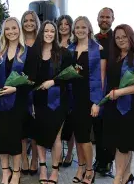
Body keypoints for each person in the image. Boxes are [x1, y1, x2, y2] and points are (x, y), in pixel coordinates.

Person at [0, 17, 36, 184]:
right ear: (3, 32)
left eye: (14, 28)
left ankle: (16, 172)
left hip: (19, 102)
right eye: (7, 29)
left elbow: (32, 80)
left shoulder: (28, 52)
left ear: (19, 30)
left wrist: (16, 88)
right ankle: (5, 172)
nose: (11, 32)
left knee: (15, 139)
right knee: (2, 137)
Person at [102, 24, 134, 184]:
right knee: (122, 144)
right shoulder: (115, 57)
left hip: (132, 107)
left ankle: (118, 179)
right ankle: (127, 175)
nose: (121, 40)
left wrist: (120, 92)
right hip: (114, 106)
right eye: (117, 38)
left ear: (131, 37)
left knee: (124, 144)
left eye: (124, 36)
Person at [31, 20, 73, 184]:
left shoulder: (64, 53)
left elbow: (69, 77)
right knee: (40, 135)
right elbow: (30, 77)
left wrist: (53, 82)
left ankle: (54, 171)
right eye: (46, 31)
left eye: (52, 31)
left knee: (56, 136)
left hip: (58, 100)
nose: (49, 34)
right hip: (39, 100)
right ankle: (43, 168)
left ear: (56, 34)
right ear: (41, 33)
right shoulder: (34, 53)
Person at [68, 16, 106, 184]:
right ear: (74, 30)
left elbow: (102, 79)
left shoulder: (98, 49)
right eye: (77, 27)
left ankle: (90, 170)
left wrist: (97, 102)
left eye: (83, 27)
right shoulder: (70, 49)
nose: (80, 30)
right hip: (72, 97)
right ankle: (80, 167)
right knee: (77, 136)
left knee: (84, 137)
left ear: (89, 29)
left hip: (89, 98)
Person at [93, 7, 116, 175]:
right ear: (97, 19)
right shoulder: (92, 39)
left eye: (108, 17)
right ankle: (99, 159)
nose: (105, 19)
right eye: (102, 17)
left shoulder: (119, 38)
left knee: (110, 127)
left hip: (113, 89)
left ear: (113, 19)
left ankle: (108, 162)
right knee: (98, 127)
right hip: (96, 88)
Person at [20, 10, 41, 175]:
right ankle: (23, 159)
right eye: (26, 20)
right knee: (21, 127)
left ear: (36, 23)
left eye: (31, 20)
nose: (28, 23)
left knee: (35, 129)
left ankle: (35, 159)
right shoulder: (18, 42)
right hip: (20, 89)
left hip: (39, 90)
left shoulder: (41, 42)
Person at [56, 15, 76, 168]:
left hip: (72, 87)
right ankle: (59, 153)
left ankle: (69, 153)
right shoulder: (53, 43)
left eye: (66, 24)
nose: (63, 26)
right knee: (58, 122)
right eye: (60, 24)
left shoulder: (75, 44)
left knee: (71, 123)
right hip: (56, 88)